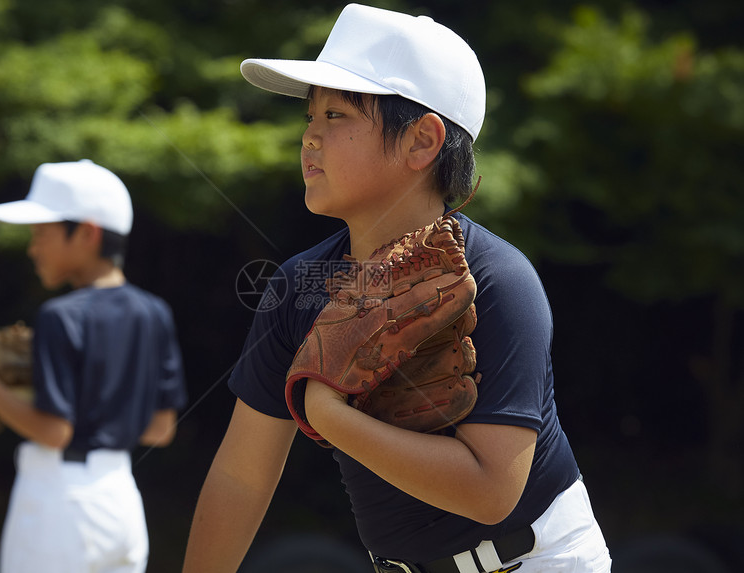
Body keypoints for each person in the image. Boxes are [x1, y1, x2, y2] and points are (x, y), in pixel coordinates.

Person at [182, 4, 611, 573]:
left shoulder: (496, 280)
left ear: (421, 142)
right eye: (310, 116)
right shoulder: (298, 289)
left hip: (535, 561)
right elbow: (241, 475)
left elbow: (491, 491)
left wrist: (327, 413)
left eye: (335, 115)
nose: (310, 136)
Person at [0, 159, 188, 573]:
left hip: (61, 503)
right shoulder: (154, 312)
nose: (33, 248)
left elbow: (54, 431)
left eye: (42, 234)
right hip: (122, 499)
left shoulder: (60, 315)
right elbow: (161, 429)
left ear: (87, 233)